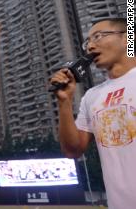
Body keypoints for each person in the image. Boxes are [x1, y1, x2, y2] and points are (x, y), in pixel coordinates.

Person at [50, 18, 135, 209]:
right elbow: (72, 150)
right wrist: (64, 102)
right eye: (87, 42)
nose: (90, 46)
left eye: (98, 36)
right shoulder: (91, 96)